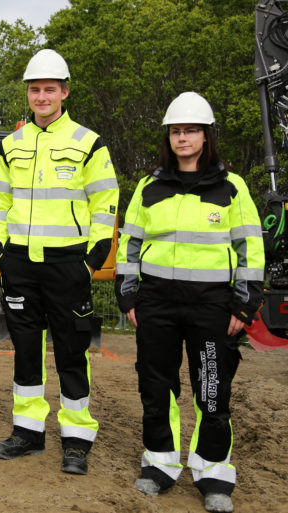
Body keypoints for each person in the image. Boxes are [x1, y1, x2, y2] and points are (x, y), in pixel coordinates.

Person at [114, 92, 263, 513]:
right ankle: (159, 465)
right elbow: (129, 244)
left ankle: (213, 472)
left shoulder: (232, 188)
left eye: (191, 130)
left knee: (212, 390)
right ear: (169, 136)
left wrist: (244, 304)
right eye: (176, 131)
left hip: (212, 306)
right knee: (155, 387)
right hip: (157, 302)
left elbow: (250, 246)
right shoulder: (149, 187)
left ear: (205, 135)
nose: (183, 138)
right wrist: (128, 294)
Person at [0, 49, 119, 473]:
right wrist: (2, 254)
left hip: (68, 266)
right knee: (25, 352)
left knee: (71, 353)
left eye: (49, 89)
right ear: (28, 94)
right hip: (20, 266)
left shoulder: (88, 143)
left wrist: (92, 260)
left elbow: (105, 203)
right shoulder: (10, 145)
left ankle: (76, 441)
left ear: (64, 92)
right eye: (34, 89)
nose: (41, 96)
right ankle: (27, 433)